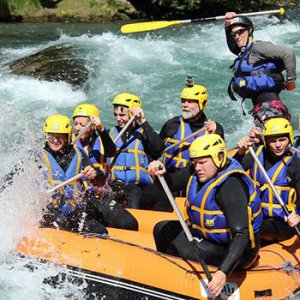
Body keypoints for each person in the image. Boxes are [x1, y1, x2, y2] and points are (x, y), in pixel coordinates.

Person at [148, 134, 262, 297]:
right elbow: (170, 183)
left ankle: (185, 286)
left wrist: (223, 273)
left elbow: (242, 234)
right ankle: (170, 279)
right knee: (162, 228)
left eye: (202, 162)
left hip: (238, 250)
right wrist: (159, 174)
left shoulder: (230, 186)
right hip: (209, 238)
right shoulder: (199, 171)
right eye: (194, 163)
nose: (197, 167)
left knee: (186, 249)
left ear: (219, 158)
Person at [41, 114, 138, 233]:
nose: (55, 140)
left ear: (67, 136)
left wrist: (95, 174)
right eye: (51, 136)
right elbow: (12, 178)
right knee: (99, 231)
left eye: (59, 136)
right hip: (50, 211)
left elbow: (101, 179)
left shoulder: (78, 154)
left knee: (121, 225)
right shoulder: (36, 156)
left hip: (75, 209)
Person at [224, 12, 296, 126]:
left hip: (271, 108)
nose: (237, 37)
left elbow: (288, 53)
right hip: (260, 108)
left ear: (250, 30)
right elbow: (233, 47)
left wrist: (291, 81)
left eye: (240, 32)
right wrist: (227, 26)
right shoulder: (245, 52)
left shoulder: (258, 47)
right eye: (234, 34)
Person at [235, 117, 300, 242]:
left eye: (282, 140)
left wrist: (297, 217)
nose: (278, 145)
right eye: (273, 141)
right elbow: (232, 172)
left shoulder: (295, 166)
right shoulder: (256, 153)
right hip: (256, 213)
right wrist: (240, 153)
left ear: (290, 138)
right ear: (265, 141)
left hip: (282, 222)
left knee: (247, 229)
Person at [107, 92, 171, 211]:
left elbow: (158, 149)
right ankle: (130, 224)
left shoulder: (144, 133)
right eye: (115, 115)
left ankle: (158, 226)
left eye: (122, 115)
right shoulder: (109, 134)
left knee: (163, 195)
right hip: (115, 186)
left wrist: (142, 120)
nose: (118, 118)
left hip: (141, 186)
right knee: (133, 192)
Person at [160, 76, 224, 174]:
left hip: (198, 179)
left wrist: (215, 134)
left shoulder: (214, 128)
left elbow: (221, 160)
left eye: (190, 101)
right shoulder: (172, 124)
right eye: (183, 101)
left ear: (202, 103)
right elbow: (155, 151)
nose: (184, 105)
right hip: (172, 179)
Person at [72, 103, 116, 173]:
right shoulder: (71, 143)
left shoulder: (101, 140)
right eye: (75, 124)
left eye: (82, 125)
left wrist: (101, 129)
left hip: (99, 182)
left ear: (92, 126)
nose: (77, 128)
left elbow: (111, 153)